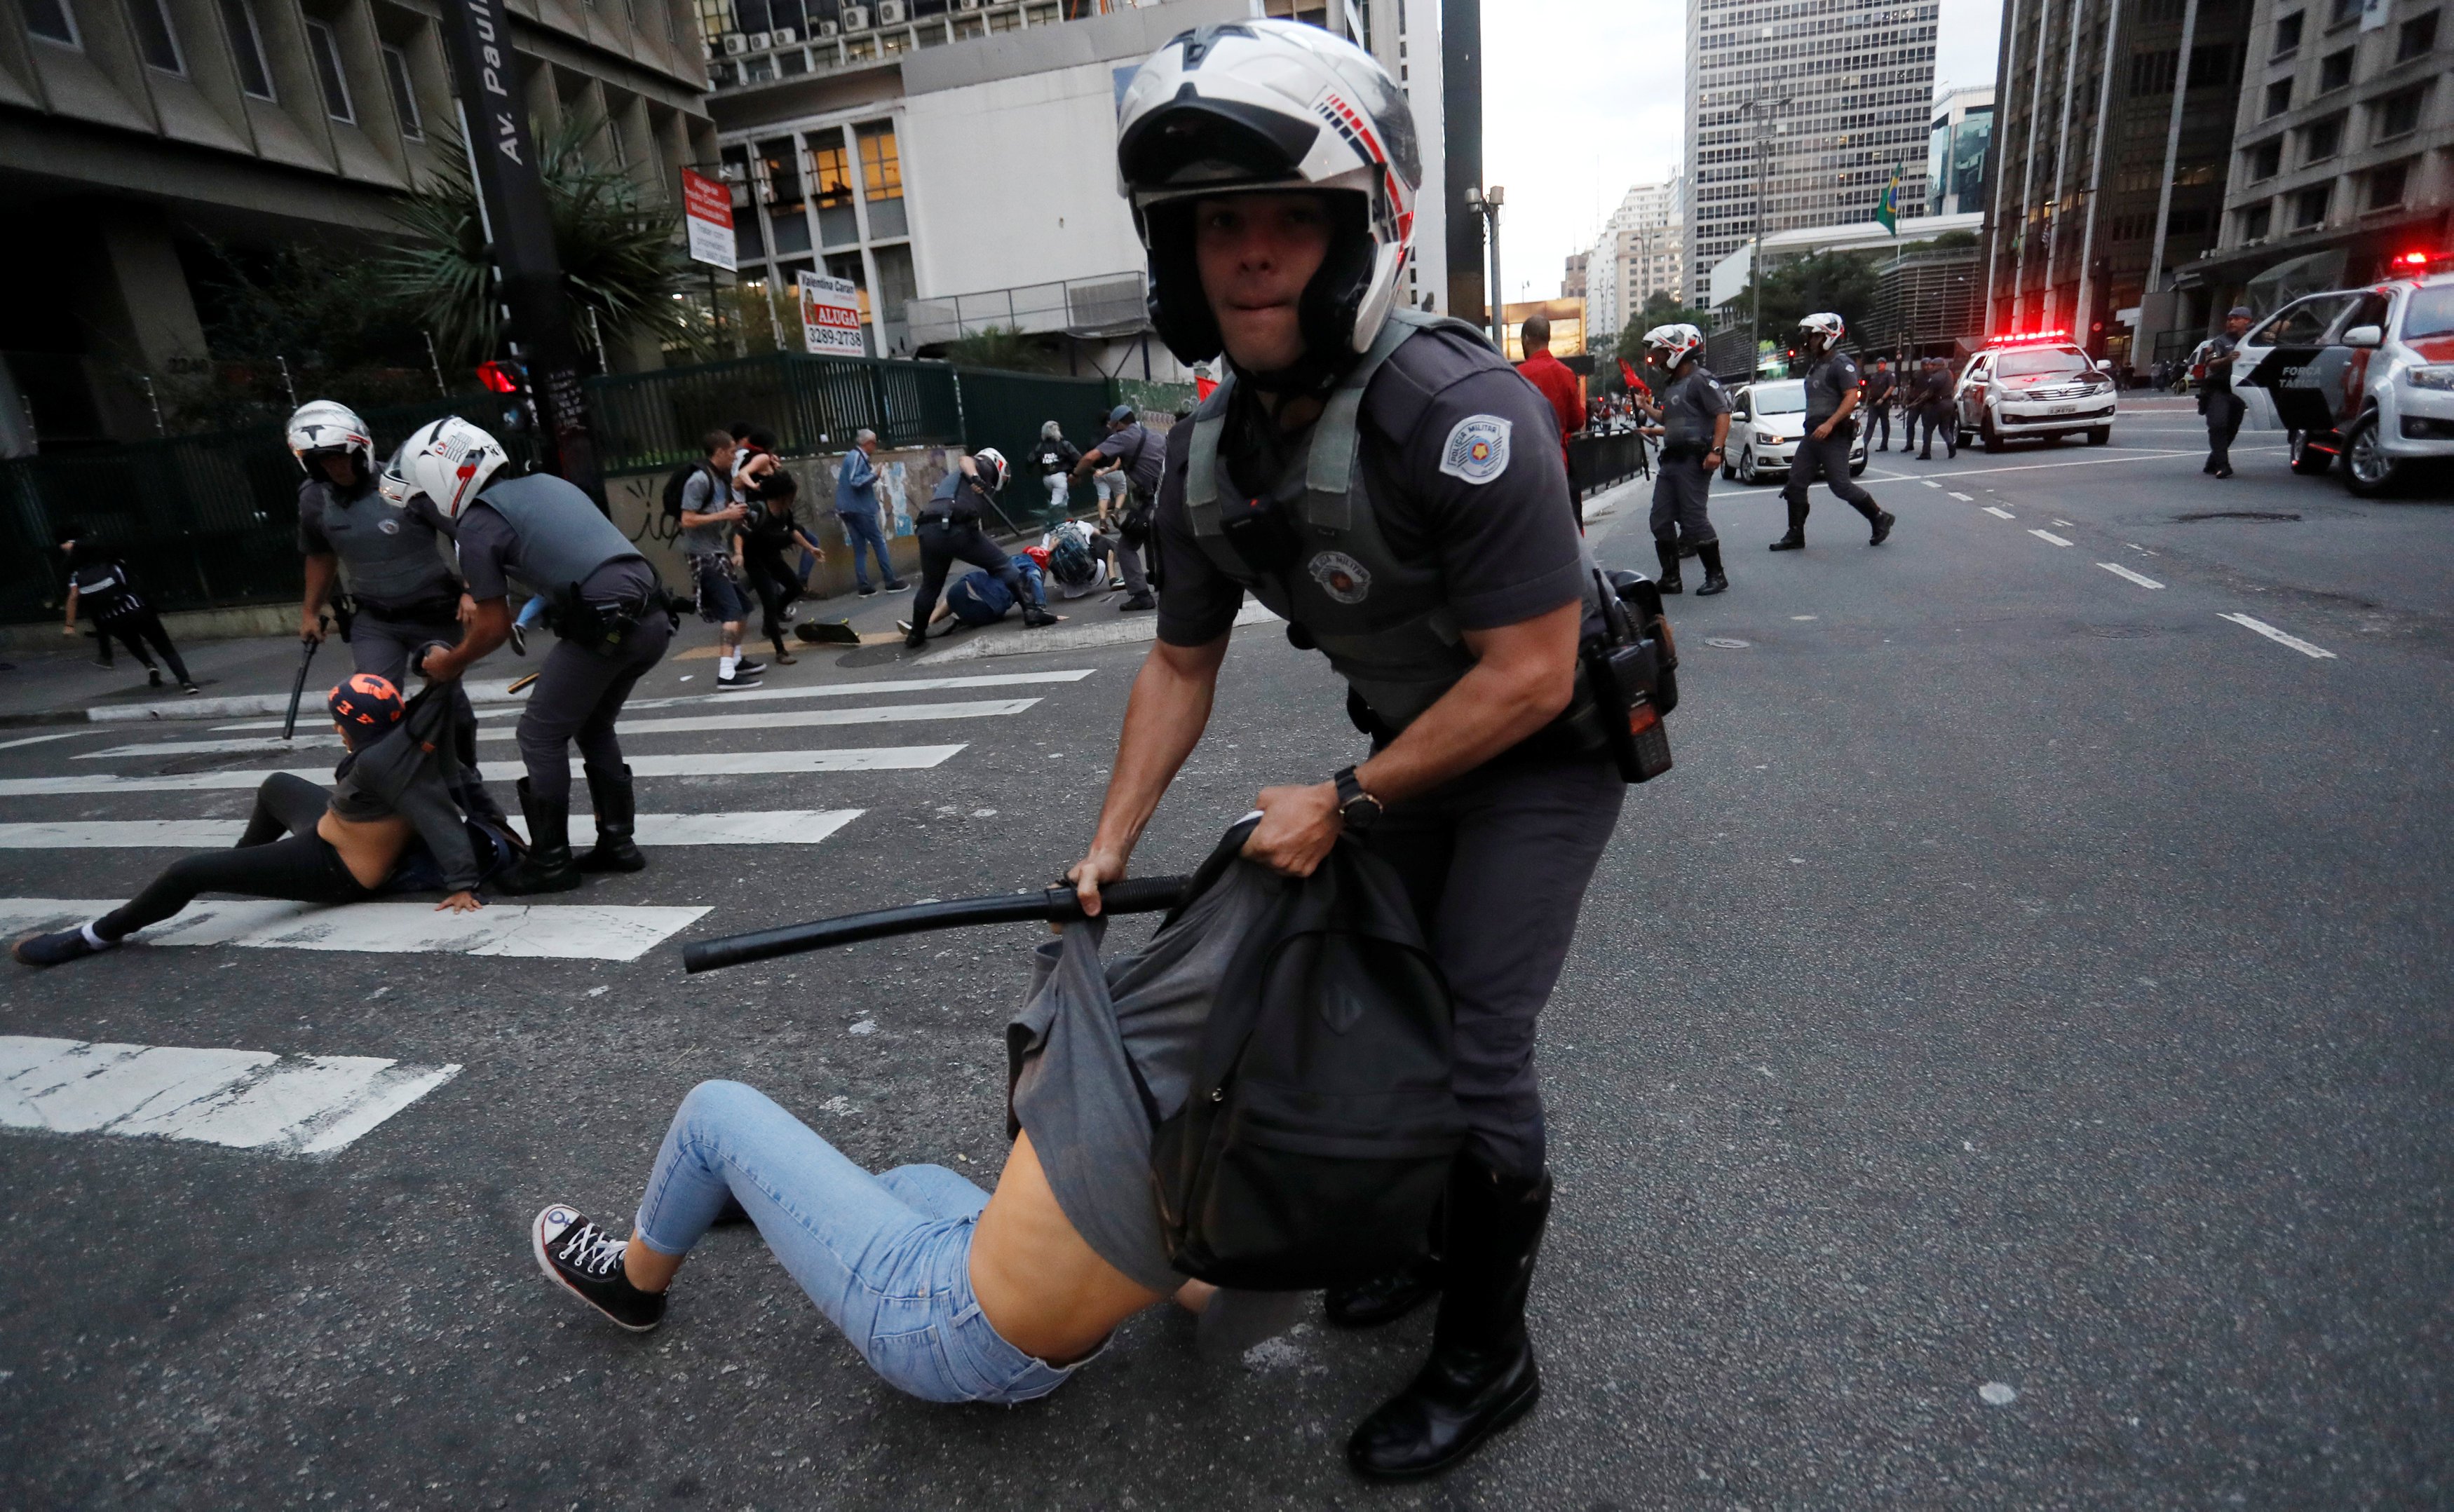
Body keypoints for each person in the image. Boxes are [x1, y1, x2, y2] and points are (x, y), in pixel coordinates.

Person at [1072, 20, 1629, 1478]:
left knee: (1473, 1033)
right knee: (1381, 997)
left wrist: (1339, 796)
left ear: (1355, 231)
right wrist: (1109, 841)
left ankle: (1485, 1350)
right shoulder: (1204, 459)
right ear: (1176, 258)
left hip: (1542, 746)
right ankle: (1433, 1241)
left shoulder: (1461, 413)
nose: (1249, 254)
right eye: (1215, 227)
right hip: (1407, 744)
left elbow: (1528, 672)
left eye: (1285, 220)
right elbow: (1179, 659)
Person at [529, 850, 1300, 1404]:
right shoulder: (1272, 1121)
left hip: (936, 1328)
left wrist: (1084, 911)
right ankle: (749, 1193)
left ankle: (633, 1283)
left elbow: (1061, 1012)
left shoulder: (1129, 1063)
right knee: (913, 1182)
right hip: (1052, 1356)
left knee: (713, 1110)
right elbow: (1234, 1292)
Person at [11, 673, 482, 967]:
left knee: (187, 872)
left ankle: (94, 936)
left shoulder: (387, 766)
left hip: (337, 868)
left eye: (339, 723)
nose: (336, 730)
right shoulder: (394, 745)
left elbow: (438, 812)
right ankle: (244, 864)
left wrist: (462, 882)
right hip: (327, 832)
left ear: (353, 726)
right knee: (276, 783)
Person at [393, 417, 673, 895]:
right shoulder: (546, 484)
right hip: (654, 619)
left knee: (539, 734)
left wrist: (449, 664)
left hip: (606, 627)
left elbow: (492, 627)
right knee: (593, 724)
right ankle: (618, 843)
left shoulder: (479, 526)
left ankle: (550, 862)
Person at [287, 400, 503, 826]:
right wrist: (310, 611)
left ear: (359, 449)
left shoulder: (405, 485)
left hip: (434, 611)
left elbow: (469, 533)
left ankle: (464, 776)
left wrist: (471, 589)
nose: (334, 469)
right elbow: (319, 554)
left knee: (447, 699)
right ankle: (389, 786)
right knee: (369, 701)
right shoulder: (315, 500)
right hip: (375, 619)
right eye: (322, 462)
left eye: (339, 457)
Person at [1770, 313, 1895, 551]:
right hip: (1812, 435)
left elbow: (1851, 397)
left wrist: (1830, 424)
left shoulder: (1841, 364)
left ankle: (1879, 517)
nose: (1808, 341)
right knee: (1796, 483)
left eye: (1812, 336)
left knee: (1840, 485)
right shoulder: (1817, 364)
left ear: (1828, 337)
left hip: (1834, 434)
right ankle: (1795, 534)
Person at [904, 449, 1052, 648]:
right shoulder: (985, 466)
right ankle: (1032, 611)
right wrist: (976, 476)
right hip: (955, 528)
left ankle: (916, 634)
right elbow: (965, 459)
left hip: (928, 529)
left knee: (930, 586)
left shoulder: (960, 484)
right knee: (1002, 565)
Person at [1640, 323, 1730, 596]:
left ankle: (1716, 575)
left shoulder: (1701, 380)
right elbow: (1669, 421)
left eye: (1659, 353)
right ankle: (1671, 579)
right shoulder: (1673, 386)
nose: (1655, 359)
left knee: (1693, 519)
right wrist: (1646, 409)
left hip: (1694, 460)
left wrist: (1716, 451)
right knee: (1660, 518)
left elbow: (1722, 414)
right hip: (1671, 462)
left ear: (1677, 351)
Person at [55, 527, 198, 695]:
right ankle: (187, 683)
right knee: (165, 648)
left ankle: (149, 665)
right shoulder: (114, 565)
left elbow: (73, 598)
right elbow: (130, 586)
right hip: (137, 610)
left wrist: (69, 625)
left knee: (133, 643)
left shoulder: (76, 576)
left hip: (112, 618)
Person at [672, 430, 761, 692]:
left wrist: (734, 517)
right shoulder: (699, 480)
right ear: (720, 452)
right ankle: (726, 674)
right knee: (731, 612)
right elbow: (686, 520)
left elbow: (719, 513)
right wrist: (725, 514)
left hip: (717, 551)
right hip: (703, 556)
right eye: (732, 451)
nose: (735, 456)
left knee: (743, 607)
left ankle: (735, 661)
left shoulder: (720, 480)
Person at [1070, 404, 1161, 611]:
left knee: (1126, 547)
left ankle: (1141, 595)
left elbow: (1089, 457)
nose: (1110, 430)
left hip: (1152, 500)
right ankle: (1156, 575)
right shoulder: (1153, 435)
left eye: (1112, 426)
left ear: (1119, 424)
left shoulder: (1124, 436)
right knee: (1151, 534)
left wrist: (1076, 475)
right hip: (1170, 497)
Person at [735, 466, 826, 665]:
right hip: (755, 561)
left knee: (795, 588)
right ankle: (780, 651)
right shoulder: (758, 510)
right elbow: (739, 532)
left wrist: (811, 548)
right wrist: (738, 554)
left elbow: (793, 532)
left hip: (772, 557)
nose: (794, 498)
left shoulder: (785, 512)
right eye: (791, 494)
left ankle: (772, 620)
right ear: (782, 495)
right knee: (769, 600)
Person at [901, 553, 1057, 641]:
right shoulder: (1033, 568)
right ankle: (961, 621)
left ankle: (927, 623)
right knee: (996, 611)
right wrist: (1042, 609)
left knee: (951, 599)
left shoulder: (1010, 560)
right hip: (985, 608)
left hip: (962, 589)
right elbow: (1035, 580)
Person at [1514, 312, 1585, 499]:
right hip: (1559, 460)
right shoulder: (1567, 373)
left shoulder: (1518, 375)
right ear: (1548, 338)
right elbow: (1577, 420)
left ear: (1526, 339)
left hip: (1526, 465)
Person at [832, 429, 907, 597]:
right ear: (869, 443)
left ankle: (864, 585)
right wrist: (874, 475)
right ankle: (890, 581)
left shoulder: (852, 456)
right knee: (878, 541)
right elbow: (855, 481)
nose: (875, 446)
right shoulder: (857, 456)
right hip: (859, 508)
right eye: (874, 443)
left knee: (859, 547)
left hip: (847, 508)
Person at [2196, 306, 2254, 479]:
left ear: (2247, 321)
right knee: (2218, 425)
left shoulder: (2253, 341)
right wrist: (2228, 359)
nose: (2231, 322)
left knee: (2232, 429)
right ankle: (2223, 465)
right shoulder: (2220, 342)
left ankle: (2213, 461)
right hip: (2218, 390)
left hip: (2240, 391)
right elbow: (2211, 364)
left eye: (2236, 318)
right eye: (2229, 319)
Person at [1031, 421, 1082, 517]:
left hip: (1046, 478)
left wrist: (1029, 471)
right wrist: (1077, 472)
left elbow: (1030, 460)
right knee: (1056, 504)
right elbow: (1078, 458)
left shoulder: (1040, 447)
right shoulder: (1064, 444)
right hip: (1059, 477)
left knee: (1065, 497)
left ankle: (1064, 520)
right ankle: (1052, 522)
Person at [1863, 357, 1897, 451]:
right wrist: (1866, 404)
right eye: (1878, 363)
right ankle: (1864, 444)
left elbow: (1891, 387)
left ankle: (1884, 445)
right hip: (1873, 402)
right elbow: (1870, 390)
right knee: (1870, 423)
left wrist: (1883, 399)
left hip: (1884, 403)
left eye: (1881, 363)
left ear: (1885, 365)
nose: (1879, 365)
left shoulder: (1889, 374)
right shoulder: (1874, 376)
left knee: (1884, 424)